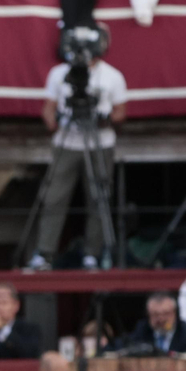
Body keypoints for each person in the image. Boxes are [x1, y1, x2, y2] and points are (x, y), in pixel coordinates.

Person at [25, 30, 127, 271]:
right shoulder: (59, 73)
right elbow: (48, 109)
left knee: (98, 197)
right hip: (66, 142)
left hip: (99, 143)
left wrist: (104, 119)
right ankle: (45, 253)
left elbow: (121, 112)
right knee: (53, 197)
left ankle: (93, 254)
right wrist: (54, 125)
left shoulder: (112, 76)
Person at [119, 292, 186, 356]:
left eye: (165, 314)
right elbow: (124, 346)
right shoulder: (143, 330)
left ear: (175, 313)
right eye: (155, 314)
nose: (161, 319)